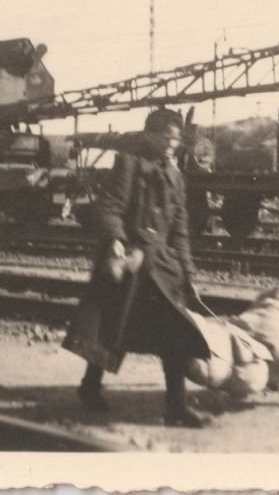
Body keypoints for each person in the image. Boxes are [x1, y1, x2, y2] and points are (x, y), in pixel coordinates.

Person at [63, 108, 214, 428]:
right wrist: (116, 240)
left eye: (176, 139)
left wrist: (188, 273)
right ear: (149, 135)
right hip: (129, 265)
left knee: (174, 333)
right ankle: (90, 387)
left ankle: (176, 407)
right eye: (166, 137)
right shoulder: (128, 164)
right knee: (111, 330)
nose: (172, 144)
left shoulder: (176, 177)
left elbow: (180, 230)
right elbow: (109, 207)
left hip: (162, 269)